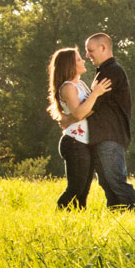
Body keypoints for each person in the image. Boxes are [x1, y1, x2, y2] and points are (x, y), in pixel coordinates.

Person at [83, 32, 135, 210]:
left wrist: (72, 115)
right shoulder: (105, 71)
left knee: (116, 182)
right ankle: (118, 218)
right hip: (104, 137)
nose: (87, 55)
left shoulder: (110, 72)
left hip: (110, 137)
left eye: (90, 50)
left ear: (103, 48)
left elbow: (92, 106)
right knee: (108, 184)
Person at [46, 46, 110, 209]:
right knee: (75, 188)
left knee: (83, 190)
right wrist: (96, 94)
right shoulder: (68, 87)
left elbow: (89, 110)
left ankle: (76, 222)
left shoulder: (80, 84)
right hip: (74, 143)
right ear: (69, 65)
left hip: (84, 142)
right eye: (78, 59)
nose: (83, 61)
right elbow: (81, 113)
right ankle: (58, 218)